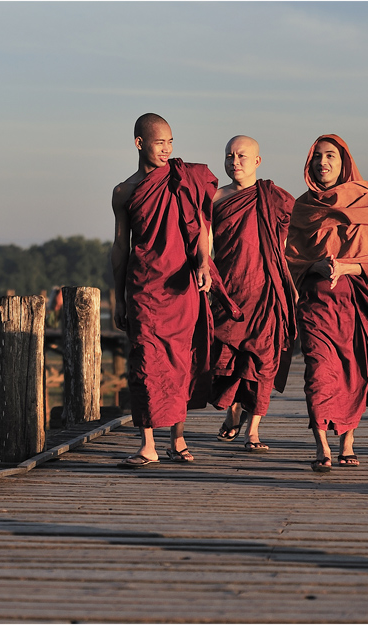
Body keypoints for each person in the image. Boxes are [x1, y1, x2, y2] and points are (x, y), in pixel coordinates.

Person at [286, 135, 368, 472]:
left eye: (330, 156)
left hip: (359, 304)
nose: (322, 162)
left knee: (355, 371)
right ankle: (322, 446)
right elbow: (290, 260)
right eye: (317, 156)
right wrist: (314, 266)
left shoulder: (365, 200)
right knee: (318, 371)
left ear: (344, 162)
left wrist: (348, 266)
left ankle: (347, 442)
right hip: (317, 305)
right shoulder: (303, 207)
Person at [110, 113, 233, 467]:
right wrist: (117, 295)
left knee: (182, 362)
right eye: (159, 143)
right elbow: (120, 247)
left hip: (182, 288)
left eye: (170, 143)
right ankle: (147, 444)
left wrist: (203, 264)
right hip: (145, 288)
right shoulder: (125, 191)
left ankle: (177, 439)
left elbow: (200, 229)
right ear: (139, 144)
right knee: (146, 362)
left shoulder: (185, 179)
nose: (166, 150)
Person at [208, 136, 297, 453]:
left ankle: (253, 431)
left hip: (265, 292)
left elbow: (285, 244)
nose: (235, 162)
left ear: (258, 161)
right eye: (229, 156)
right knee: (228, 360)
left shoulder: (273, 198)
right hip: (228, 293)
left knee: (263, 362)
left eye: (242, 156)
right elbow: (205, 249)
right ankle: (234, 412)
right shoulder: (215, 198)